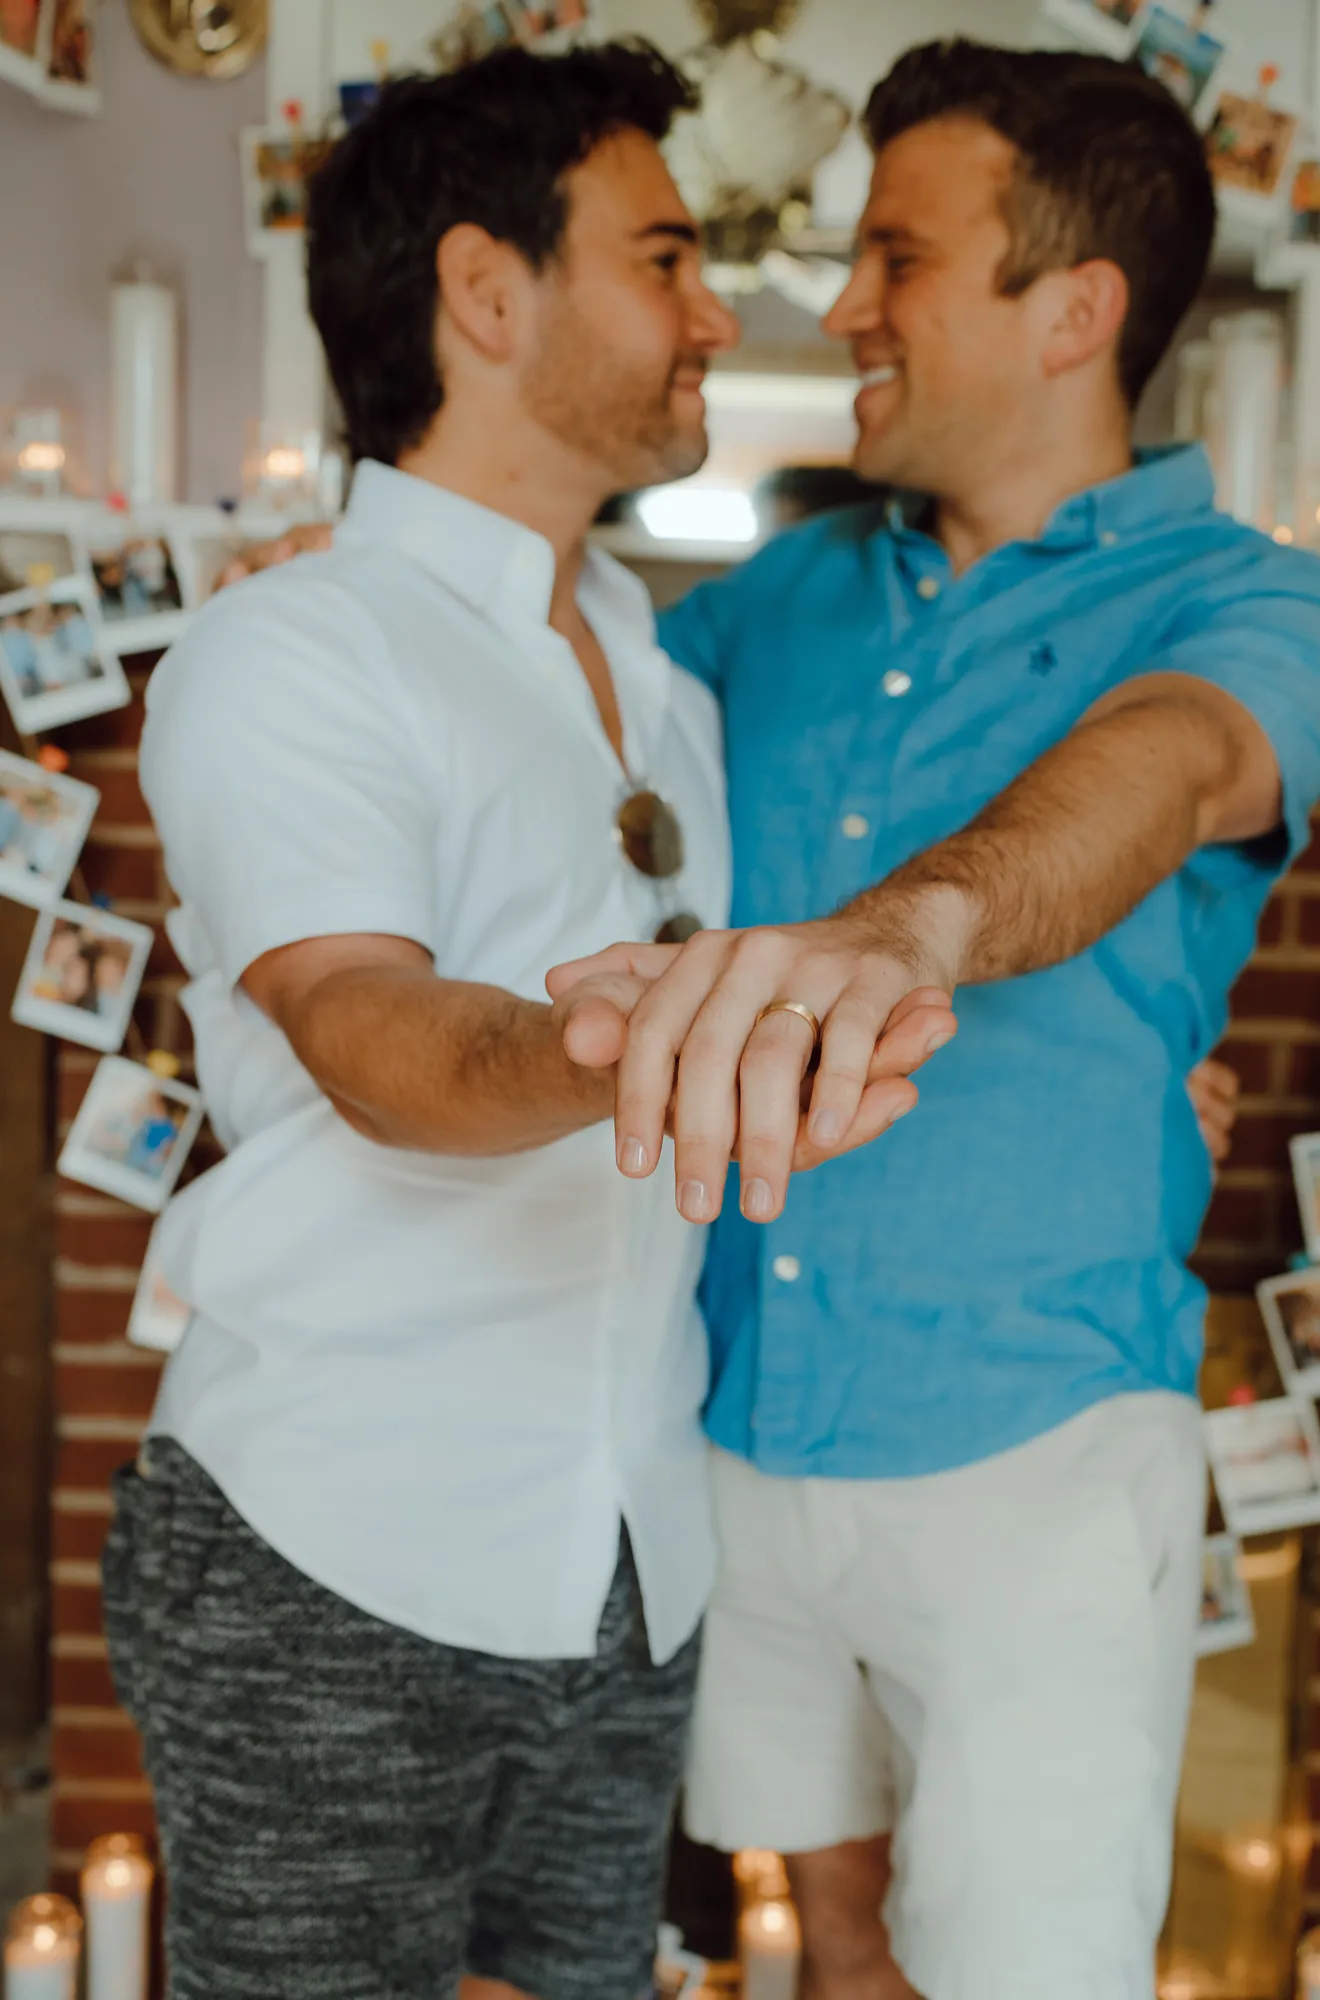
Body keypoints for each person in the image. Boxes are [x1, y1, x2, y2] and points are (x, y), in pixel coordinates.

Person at [101, 44, 946, 2000]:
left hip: (632, 1559)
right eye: (665, 257)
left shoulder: (666, 680)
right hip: (332, 1542)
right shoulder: (291, 643)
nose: (719, 313)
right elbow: (363, 1025)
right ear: (486, 292)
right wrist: (619, 1041)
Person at [545, 40, 1320, 2000]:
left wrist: (914, 929)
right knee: (827, 1949)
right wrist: (366, 594)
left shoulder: (1254, 604)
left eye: (899, 257)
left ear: (1076, 310)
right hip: (741, 1418)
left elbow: (1168, 765)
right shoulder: (778, 600)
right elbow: (557, 727)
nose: (844, 307)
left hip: (1035, 1445)